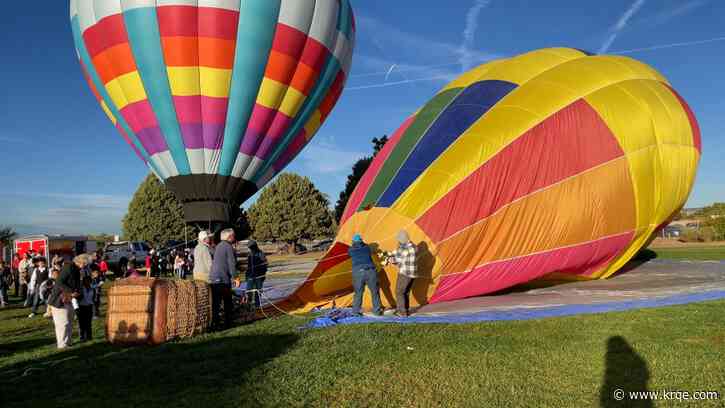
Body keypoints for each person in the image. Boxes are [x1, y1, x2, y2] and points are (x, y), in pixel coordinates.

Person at [48, 254, 86, 349]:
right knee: (63, 323)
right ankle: (62, 344)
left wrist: (76, 292)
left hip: (68, 299)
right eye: (85, 263)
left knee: (69, 321)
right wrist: (71, 291)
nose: (85, 265)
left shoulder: (76, 270)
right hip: (59, 300)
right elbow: (59, 282)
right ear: (80, 261)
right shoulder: (68, 267)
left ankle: (68, 342)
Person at [347, 234, 382, 316]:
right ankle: (377, 311)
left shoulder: (351, 250)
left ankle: (355, 312)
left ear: (353, 242)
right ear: (361, 240)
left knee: (358, 293)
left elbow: (350, 253)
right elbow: (366, 247)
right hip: (371, 272)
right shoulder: (367, 248)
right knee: (374, 292)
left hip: (358, 273)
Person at [210, 228, 237, 330]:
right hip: (222, 278)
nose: (234, 237)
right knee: (227, 301)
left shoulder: (219, 246)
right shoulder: (228, 246)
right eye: (233, 235)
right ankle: (228, 323)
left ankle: (214, 324)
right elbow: (231, 264)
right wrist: (235, 277)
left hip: (214, 277)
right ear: (229, 237)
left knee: (216, 303)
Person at [387, 230, 418, 317]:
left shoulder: (407, 250)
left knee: (399, 292)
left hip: (405, 273)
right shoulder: (413, 246)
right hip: (413, 274)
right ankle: (405, 309)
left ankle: (402, 312)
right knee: (405, 292)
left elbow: (398, 260)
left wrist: (389, 259)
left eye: (399, 240)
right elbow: (398, 251)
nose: (398, 241)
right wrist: (388, 253)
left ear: (402, 239)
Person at [245, 240, 268, 308]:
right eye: (249, 247)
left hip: (259, 276)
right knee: (249, 291)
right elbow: (248, 266)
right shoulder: (250, 255)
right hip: (250, 276)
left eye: (251, 247)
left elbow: (265, 265)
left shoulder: (261, 254)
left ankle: (257, 306)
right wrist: (247, 275)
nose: (250, 249)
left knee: (258, 292)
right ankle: (248, 306)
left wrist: (262, 275)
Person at [78, 276, 95, 341]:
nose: (88, 282)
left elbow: (93, 298)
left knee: (89, 322)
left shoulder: (92, 288)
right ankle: (82, 336)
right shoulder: (81, 289)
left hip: (89, 306)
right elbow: (78, 297)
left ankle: (89, 336)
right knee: (81, 323)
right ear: (83, 282)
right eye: (86, 281)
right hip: (82, 306)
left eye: (89, 281)